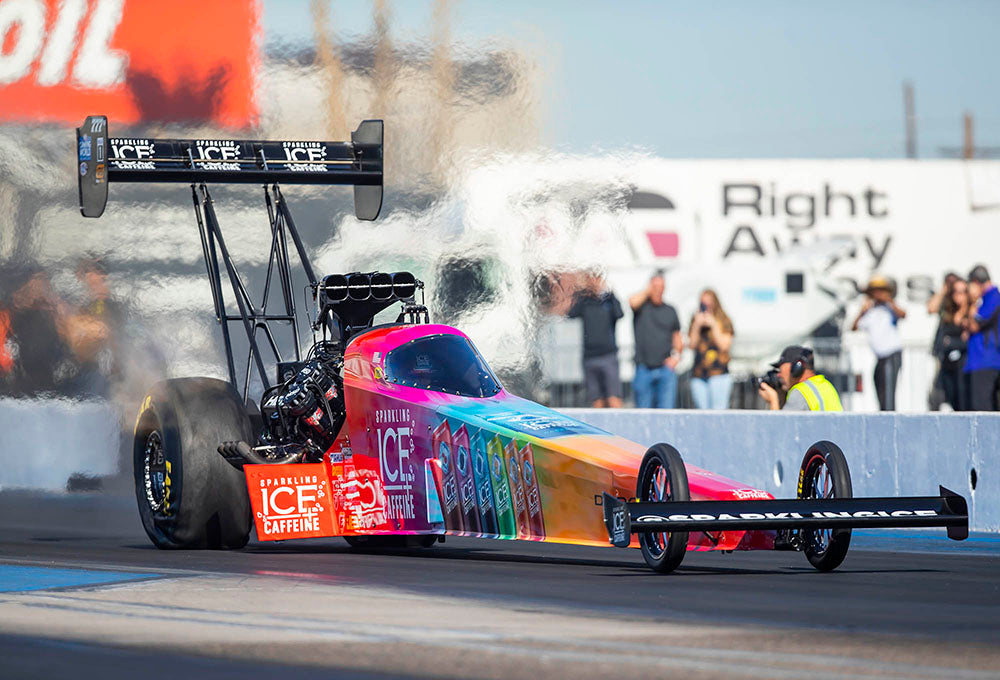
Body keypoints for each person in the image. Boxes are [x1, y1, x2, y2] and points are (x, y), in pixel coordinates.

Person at [568, 271, 624, 408]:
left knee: (613, 397)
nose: (594, 282)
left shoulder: (609, 300)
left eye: (597, 278)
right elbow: (571, 314)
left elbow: (620, 314)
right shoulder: (585, 301)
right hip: (589, 357)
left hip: (608, 355)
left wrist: (610, 293)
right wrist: (582, 292)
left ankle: (618, 427)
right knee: (596, 399)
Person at [629, 270, 683, 408]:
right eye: (654, 287)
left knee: (666, 413)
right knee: (643, 412)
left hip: (665, 369)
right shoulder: (641, 308)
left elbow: (677, 337)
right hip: (643, 368)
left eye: (660, 287)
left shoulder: (670, 310)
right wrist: (648, 290)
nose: (657, 290)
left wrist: (675, 358)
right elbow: (632, 302)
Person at [852, 275, 906, 411]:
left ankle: (889, 419)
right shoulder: (870, 311)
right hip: (880, 357)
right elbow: (854, 327)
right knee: (879, 389)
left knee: (888, 394)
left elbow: (903, 314)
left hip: (891, 354)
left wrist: (888, 301)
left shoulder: (890, 308)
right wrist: (862, 311)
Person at [688, 289, 734, 409]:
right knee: (702, 414)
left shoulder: (723, 320)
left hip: (719, 374)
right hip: (699, 375)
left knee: (718, 412)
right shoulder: (695, 319)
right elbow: (692, 344)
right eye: (703, 304)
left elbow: (724, 346)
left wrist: (713, 325)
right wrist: (697, 326)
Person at [758, 345, 842, 411]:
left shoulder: (800, 392)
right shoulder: (825, 385)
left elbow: (781, 430)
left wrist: (773, 400)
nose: (779, 375)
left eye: (780, 369)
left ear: (796, 367)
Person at [962, 265, 1000, 411]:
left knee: (983, 410)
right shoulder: (988, 298)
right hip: (983, 361)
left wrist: (972, 302)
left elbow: (975, 325)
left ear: (976, 282)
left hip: (987, 361)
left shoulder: (992, 297)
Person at [932, 277, 969, 411]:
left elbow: (967, 343)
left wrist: (951, 342)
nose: (959, 296)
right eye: (955, 292)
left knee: (963, 403)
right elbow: (931, 308)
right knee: (943, 402)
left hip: (963, 368)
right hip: (947, 367)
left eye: (963, 292)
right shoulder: (947, 315)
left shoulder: (971, 316)